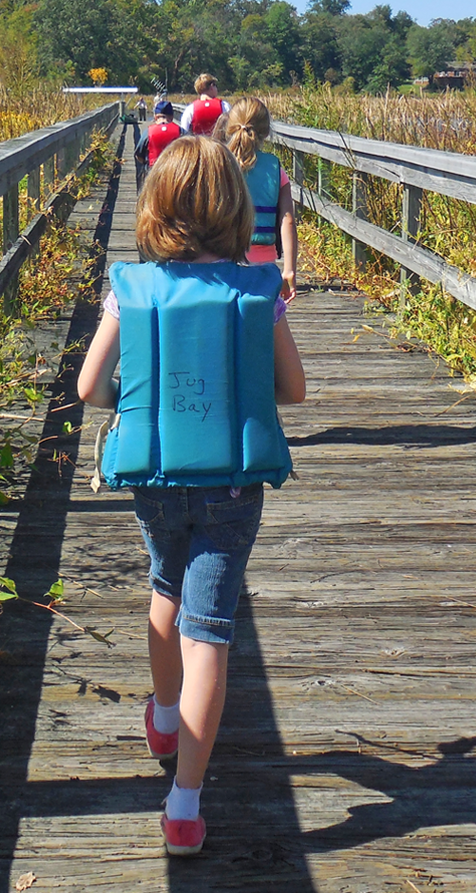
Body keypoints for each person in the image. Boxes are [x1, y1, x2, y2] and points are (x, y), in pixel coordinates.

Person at [77, 136, 306, 857]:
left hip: (155, 482)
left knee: (163, 588)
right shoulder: (256, 292)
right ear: (238, 212)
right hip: (234, 488)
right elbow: (293, 390)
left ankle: (166, 718)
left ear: (155, 210)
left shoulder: (129, 290)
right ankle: (184, 803)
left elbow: (89, 389)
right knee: (209, 627)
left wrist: (135, 397)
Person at [222, 97, 299, 302]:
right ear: (265, 131)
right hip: (263, 264)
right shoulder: (274, 168)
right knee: (262, 323)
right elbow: (287, 221)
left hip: (222, 258)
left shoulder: (218, 162)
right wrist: (289, 270)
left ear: (229, 126)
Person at [133, 100, 182, 191]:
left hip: (154, 172)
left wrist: (145, 163)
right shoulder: (181, 131)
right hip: (175, 173)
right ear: (171, 117)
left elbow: (138, 154)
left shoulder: (148, 132)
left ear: (155, 117)